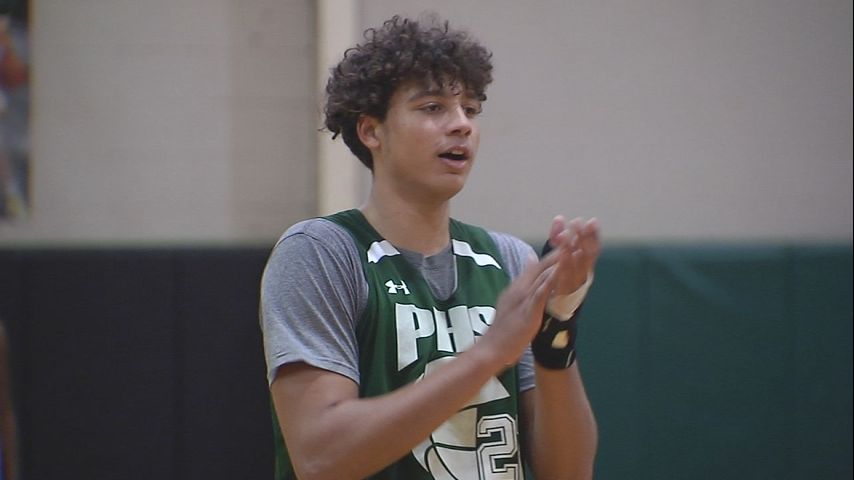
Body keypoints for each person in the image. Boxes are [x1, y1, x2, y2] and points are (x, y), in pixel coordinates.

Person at [260, 14, 600, 480]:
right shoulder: (321, 253)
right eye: (433, 107)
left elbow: (568, 473)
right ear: (371, 131)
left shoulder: (507, 259)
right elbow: (322, 458)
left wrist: (557, 329)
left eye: (471, 110)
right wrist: (488, 354)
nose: (461, 125)